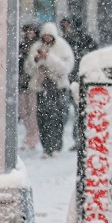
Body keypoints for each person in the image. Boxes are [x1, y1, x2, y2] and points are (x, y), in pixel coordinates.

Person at [26, 22, 75, 157]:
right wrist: (38, 60)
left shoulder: (62, 46)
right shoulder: (36, 47)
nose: (47, 39)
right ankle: (46, 147)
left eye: (49, 36)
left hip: (58, 87)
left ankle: (56, 146)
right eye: (45, 36)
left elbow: (66, 67)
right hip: (41, 87)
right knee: (42, 118)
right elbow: (29, 67)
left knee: (57, 118)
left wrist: (48, 58)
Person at [18, 22, 41, 150]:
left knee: (32, 111)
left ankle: (33, 136)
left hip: (33, 82)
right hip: (22, 81)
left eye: (32, 31)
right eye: (28, 31)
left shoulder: (37, 46)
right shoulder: (22, 46)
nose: (29, 33)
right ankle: (30, 133)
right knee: (23, 111)